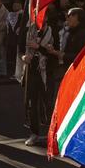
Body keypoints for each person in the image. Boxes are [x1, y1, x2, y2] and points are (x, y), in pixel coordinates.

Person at [22, 18, 58, 146]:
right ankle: (34, 133)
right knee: (32, 105)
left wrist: (39, 47)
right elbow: (22, 50)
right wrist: (24, 57)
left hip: (46, 73)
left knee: (48, 104)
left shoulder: (52, 32)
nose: (39, 24)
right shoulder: (29, 32)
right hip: (31, 72)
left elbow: (56, 53)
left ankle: (54, 134)